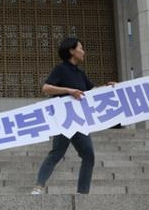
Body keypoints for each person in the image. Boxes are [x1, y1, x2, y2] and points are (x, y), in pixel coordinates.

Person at [31, 37, 114, 195]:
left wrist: (107, 88)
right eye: (81, 48)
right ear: (71, 51)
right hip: (64, 120)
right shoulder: (60, 69)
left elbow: (92, 91)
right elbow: (46, 88)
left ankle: (83, 193)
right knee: (57, 153)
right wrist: (69, 91)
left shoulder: (80, 73)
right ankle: (38, 185)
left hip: (80, 121)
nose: (83, 52)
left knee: (88, 155)